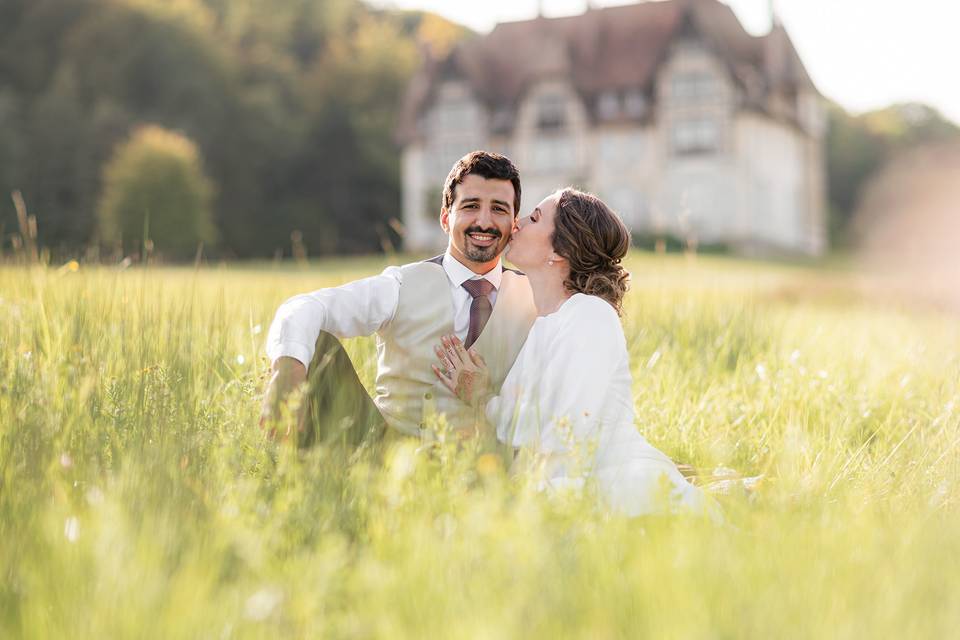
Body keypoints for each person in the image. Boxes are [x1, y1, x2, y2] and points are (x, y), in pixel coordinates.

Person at [434, 188, 711, 517]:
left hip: (614, 484)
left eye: (534, 218)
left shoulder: (590, 314)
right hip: (563, 487)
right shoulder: (540, 326)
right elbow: (518, 430)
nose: (517, 224)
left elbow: (561, 431)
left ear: (560, 250)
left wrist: (482, 397)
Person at [261, 151, 537, 446]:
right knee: (314, 343)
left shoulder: (536, 299)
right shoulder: (401, 284)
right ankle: (310, 480)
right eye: (470, 206)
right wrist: (287, 370)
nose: (484, 221)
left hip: (483, 467)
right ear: (445, 218)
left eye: (498, 209)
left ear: (514, 223)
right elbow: (306, 306)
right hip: (382, 453)